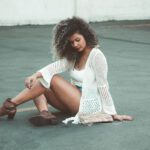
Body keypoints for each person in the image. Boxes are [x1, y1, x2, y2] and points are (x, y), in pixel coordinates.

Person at [0, 17, 133, 126]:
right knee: (41, 81)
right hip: (71, 101)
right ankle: (45, 113)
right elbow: (55, 66)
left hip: (86, 104)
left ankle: (9, 106)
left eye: (77, 40)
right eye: (71, 42)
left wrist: (112, 113)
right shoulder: (75, 55)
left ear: (85, 36)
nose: (75, 44)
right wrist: (35, 75)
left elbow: (103, 86)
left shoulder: (96, 56)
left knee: (52, 79)